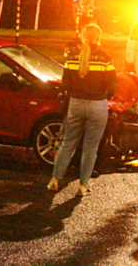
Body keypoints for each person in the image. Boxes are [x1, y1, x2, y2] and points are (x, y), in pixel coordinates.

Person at [47, 23, 118, 197]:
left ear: (83, 36)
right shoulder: (105, 57)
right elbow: (113, 85)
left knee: (68, 143)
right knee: (90, 148)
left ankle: (54, 180)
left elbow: (65, 83)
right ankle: (83, 186)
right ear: (99, 37)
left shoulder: (72, 57)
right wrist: (103, 97)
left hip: (76, 103)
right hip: (97, 104)